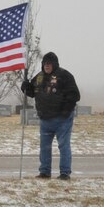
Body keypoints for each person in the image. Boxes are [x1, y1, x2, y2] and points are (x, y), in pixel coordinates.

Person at [21, 52, 81, 180]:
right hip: (45, 119)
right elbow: (32, 91)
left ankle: (64, 173)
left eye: (49, 64)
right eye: (44, 63)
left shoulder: (65, 75)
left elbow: (75, 95)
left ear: (54, 64)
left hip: (62, 120)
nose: (47, 66)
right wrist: (26, 87)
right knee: (44, 147)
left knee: (63, 146)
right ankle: (45, 172)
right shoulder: (39, 77)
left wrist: (66, 111)